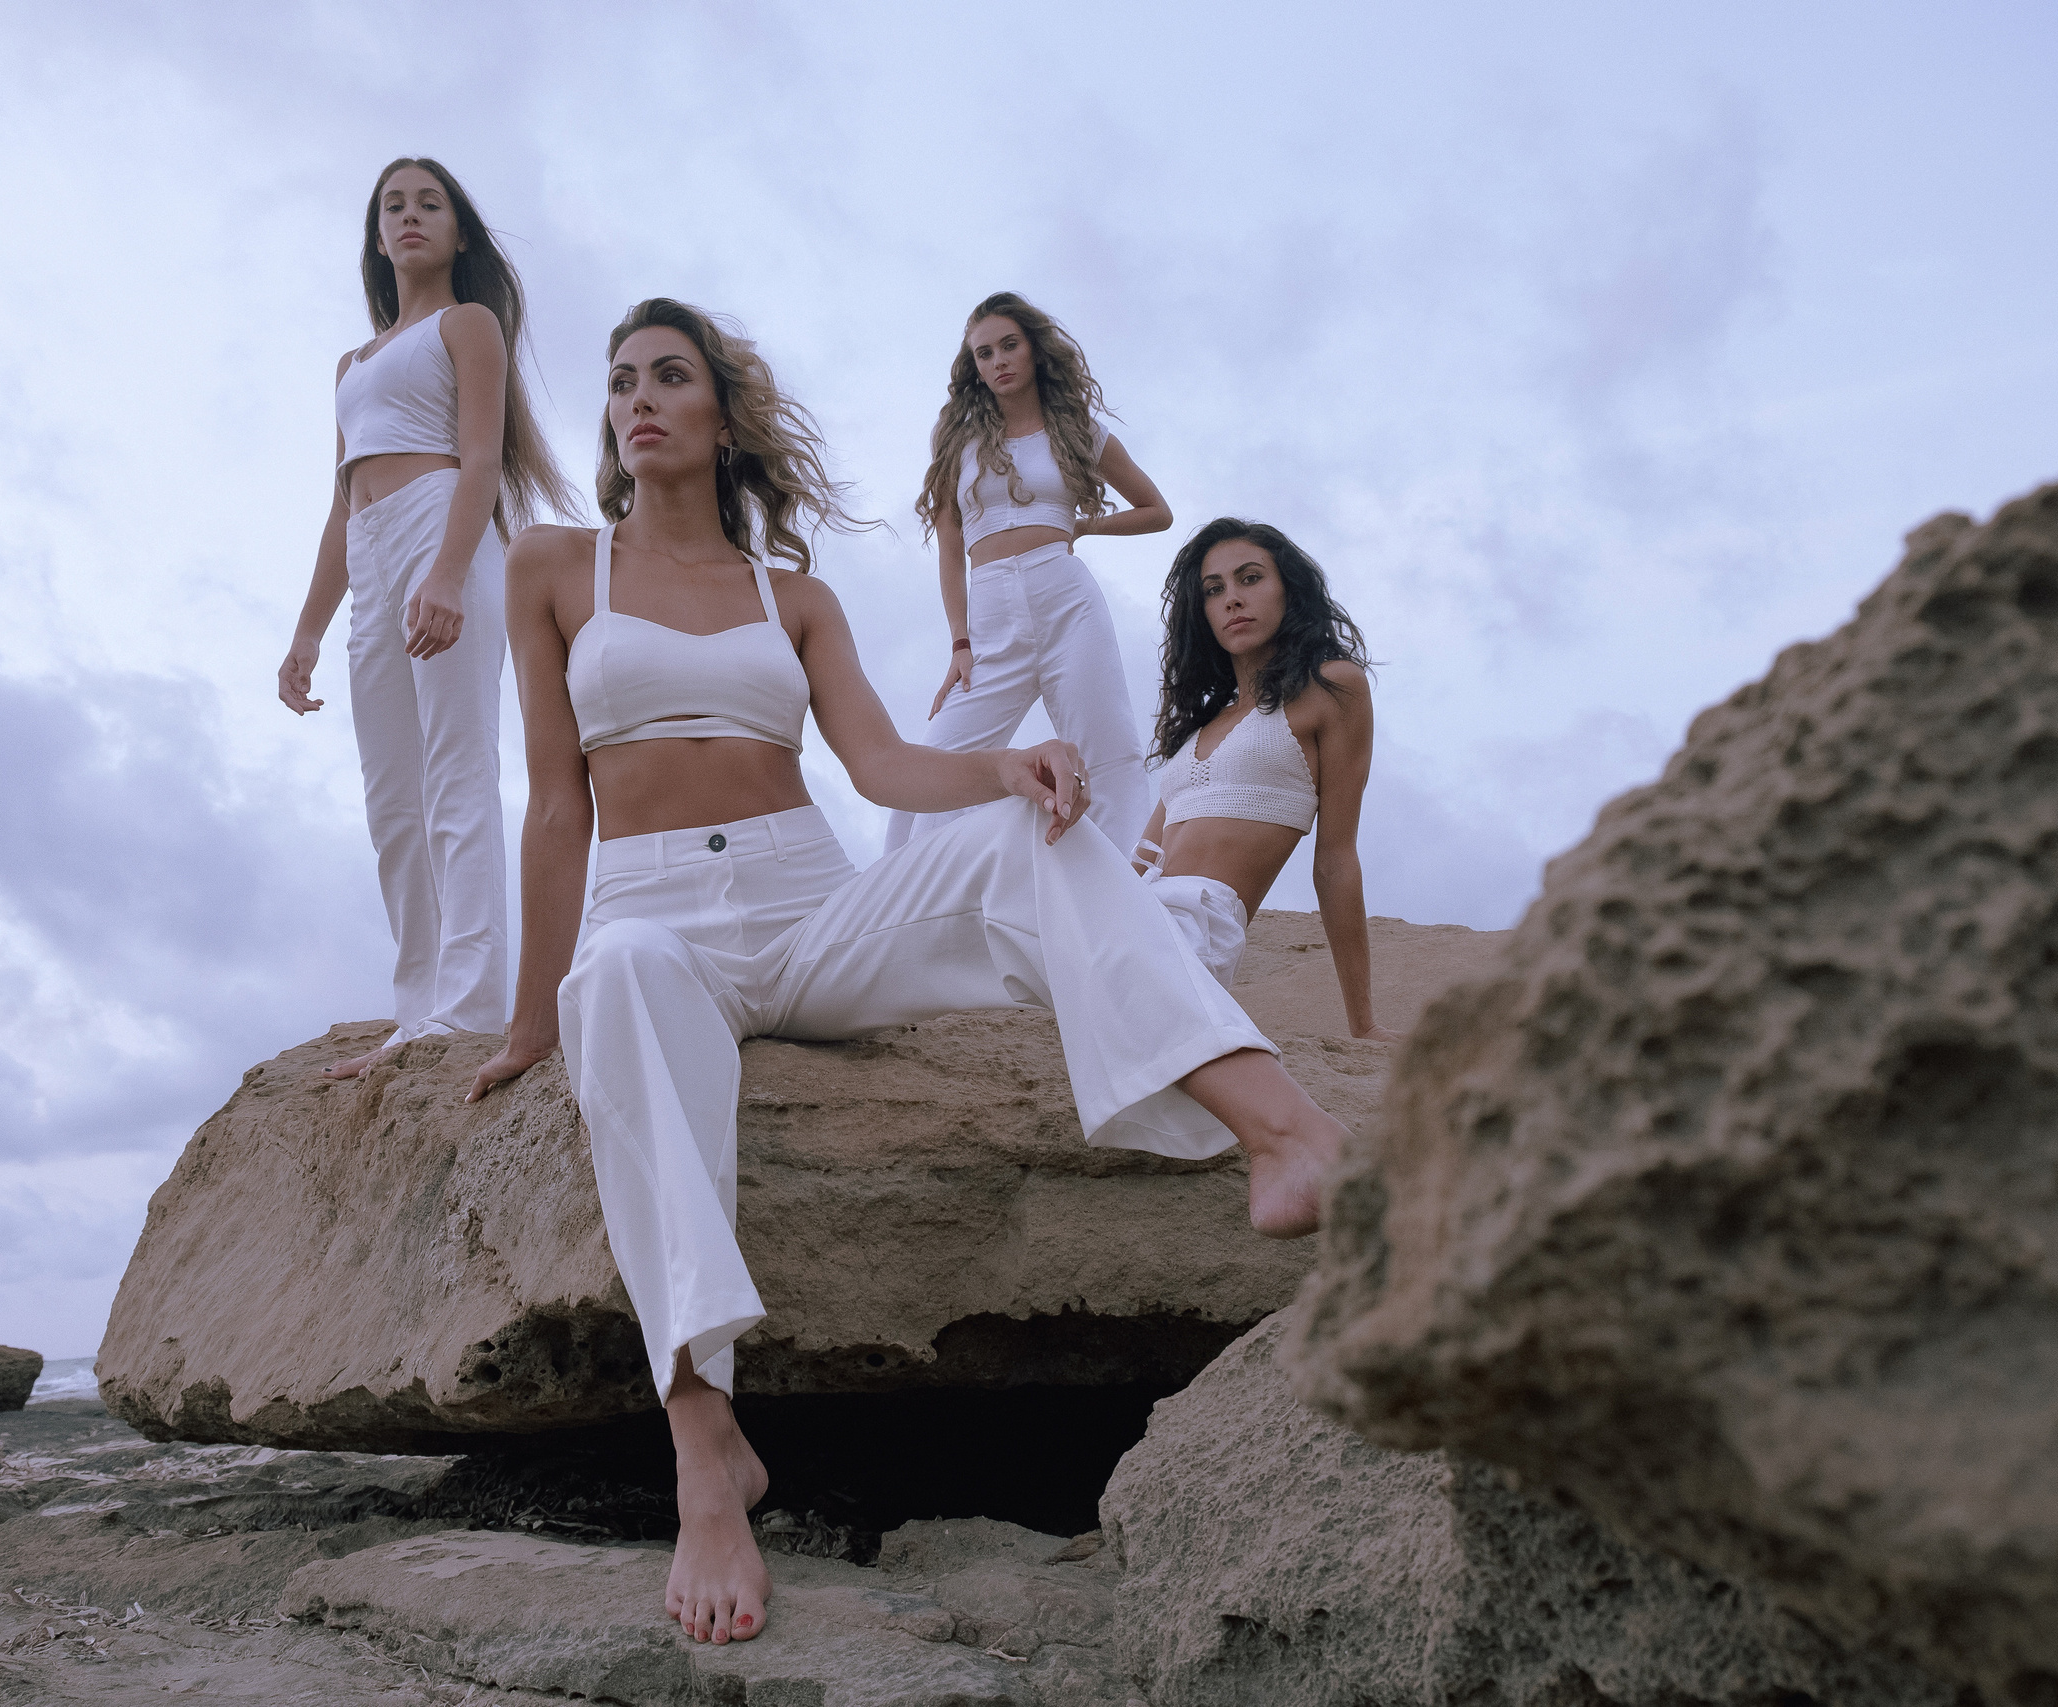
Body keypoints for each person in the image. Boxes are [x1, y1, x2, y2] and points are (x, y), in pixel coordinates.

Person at [465, 300, 1351, 1649]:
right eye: (621, 379)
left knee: (1026, 830)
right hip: (654, 914)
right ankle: (707, 1441)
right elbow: (550, 805)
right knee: (622, 978)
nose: (637, 397)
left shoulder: (792, 595)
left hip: (807, 903)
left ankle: (1279, 1127)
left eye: (670, 376)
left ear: (723, 416)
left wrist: (1004, 762)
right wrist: (535, 1020)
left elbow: (881, 766)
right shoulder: (552, 564)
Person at [278, 157, 573, 1079]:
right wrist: (307, 631)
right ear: (377, 236)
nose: (410, 216)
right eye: (394, 206)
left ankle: (470, 1002)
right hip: (370, 550)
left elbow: (482, 460)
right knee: (392, 799)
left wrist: (447, 572)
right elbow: (340, 504)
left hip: (442, 528)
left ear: (458, 231)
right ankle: (418, 1007)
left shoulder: (466, 325)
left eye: (429, 204)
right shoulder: (352, 364)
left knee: (457, 771)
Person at [885, 291, 1171, 857]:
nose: (999, 361)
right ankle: (906, 889)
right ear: (975, 367)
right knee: (937, 758)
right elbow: (950, 551)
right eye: (985, 353)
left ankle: (1129, 888)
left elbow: (1156, 511)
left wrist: (1080, 527)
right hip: (991, 612)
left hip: (1066, 597)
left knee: (1109, 751)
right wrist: (960, 643)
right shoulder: (959, 444)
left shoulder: (1078, 431)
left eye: (1009, 345)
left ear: (1034, 350)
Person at [1133, 518, 1400, 1041]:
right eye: (1214, 590)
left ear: (1289, 591)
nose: (1232, 598)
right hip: (1137, 914)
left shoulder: (1333, 687)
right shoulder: (1204, 728)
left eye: (1250, 578)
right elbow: (1143, 859)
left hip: (1196, 927)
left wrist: (1363, 1023)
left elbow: (1336, 859)